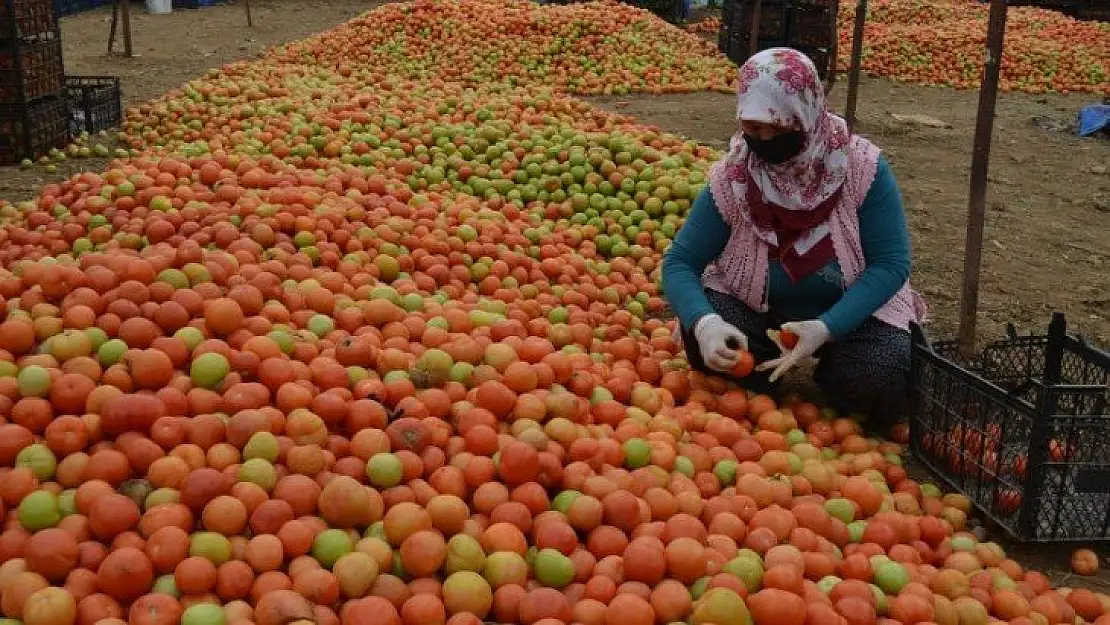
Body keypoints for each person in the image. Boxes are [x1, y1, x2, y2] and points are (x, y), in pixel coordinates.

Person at [661, 47, 926, 429]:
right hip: (762, 308)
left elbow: (892, 263)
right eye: (754, 128)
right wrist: (705, 325)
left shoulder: (861, 168)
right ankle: (765, 366)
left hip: (853, 312)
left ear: (808, 114)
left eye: (779, 128)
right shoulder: (734, 176)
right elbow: (680, 262)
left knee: (877, 378)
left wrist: (826, 327)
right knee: (704, 339)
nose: (766, 139)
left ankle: (835, 366)